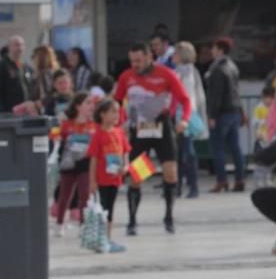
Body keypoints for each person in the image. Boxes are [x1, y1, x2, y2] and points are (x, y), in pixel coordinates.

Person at [112, 41, 192, 235]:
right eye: (132, 61)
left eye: (139, 60)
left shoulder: (166, 74)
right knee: (137, 175)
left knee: (170, 171)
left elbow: (185, 99)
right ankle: (132, 220)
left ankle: (169, 217)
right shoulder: (127, 77)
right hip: (139, 128)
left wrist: (184, 120)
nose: (135, 65)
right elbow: (116, 101)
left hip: (162, 126)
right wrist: (121, 122)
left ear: (150, 57)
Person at [87, 98, 130, 252]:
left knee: (110, 209)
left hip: (115, 179)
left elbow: (125, 152)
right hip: (101, 180)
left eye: (117, 112)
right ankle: (101, 239)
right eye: (112, 112)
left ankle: (107, 239)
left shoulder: (119, 132)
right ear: (102, 114)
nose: (116, 115)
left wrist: (126, 166)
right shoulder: (97, 135)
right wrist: (92, 181)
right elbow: (93, 159)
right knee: (102, 209)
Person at [205, 37, 245, 193]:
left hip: (221, 113)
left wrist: (212, 115)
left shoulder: (217, 69)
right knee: (235, 147)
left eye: (214, 48)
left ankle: (221, 180)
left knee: (218, 148)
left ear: (220, 50)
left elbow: (216, 95)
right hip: (234, 110)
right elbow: (236, 90)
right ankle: (239, 179)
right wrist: (242, 111)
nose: (211, 51)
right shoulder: (232, 66)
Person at [53, 93, 96, 233]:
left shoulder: (94, 124)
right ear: (78, 106)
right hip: (68, 162)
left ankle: (83, 225)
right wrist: (57, 128)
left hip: (85, 162)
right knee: (65, 194)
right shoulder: (66, 123)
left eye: (92, 103)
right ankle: (59, 224)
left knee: (84, 193)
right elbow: (53, 135)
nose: (91, 106)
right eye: (87, 103)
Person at [174, 41, 209, 199]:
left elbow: (182, 95)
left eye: (176, 53)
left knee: (184, 152)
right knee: (184, 151)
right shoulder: (192, 71)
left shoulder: (182, 73)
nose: (173, 56)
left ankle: (185, 186)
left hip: (182, 114)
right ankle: (186, 186)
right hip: (190, 113)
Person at [0, 36, 33, 112]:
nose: (20, 48)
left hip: (26, 109)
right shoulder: (3, 66)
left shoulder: (25, 66)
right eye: (17, 45)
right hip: (9, 111)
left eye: (22, 45)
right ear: (9, 47)